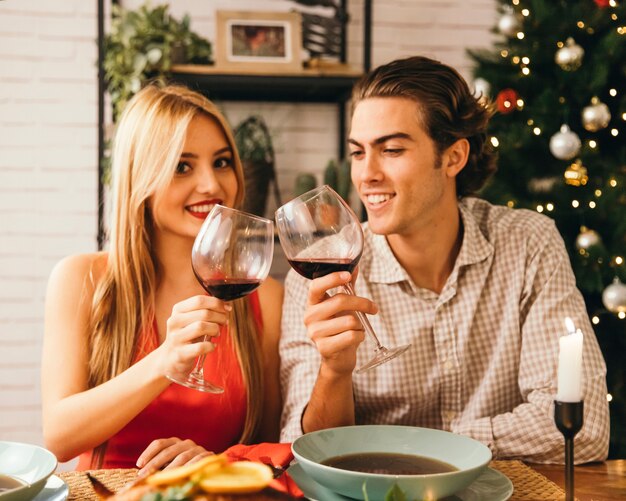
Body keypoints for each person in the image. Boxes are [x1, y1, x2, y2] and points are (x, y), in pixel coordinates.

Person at [279, 56, 610, 463]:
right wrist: (334, 371)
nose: (366, 175)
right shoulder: (318, 277)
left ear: (453, 157)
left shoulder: (527, 244)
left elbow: (585, 428)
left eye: (393, 149)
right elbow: (300, 453)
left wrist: (421, 446)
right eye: (359, 153)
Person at [41, 84, 283, 473]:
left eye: (221, 162)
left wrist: (220, 462)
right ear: (141, 178)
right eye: (182, 166)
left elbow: (268, 441)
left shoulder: (264, 296)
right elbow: (59, 437)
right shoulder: (80, 279)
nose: (211, 184)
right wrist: (164, 361)